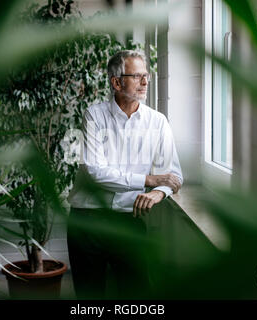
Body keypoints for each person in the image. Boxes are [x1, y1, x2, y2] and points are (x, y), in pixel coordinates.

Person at [67, 50, 183, 299]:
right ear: (116, 82)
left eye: (146, 76)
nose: (145, 82)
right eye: (137, 76)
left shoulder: (158, 122)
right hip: (87, 221)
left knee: (137, 295)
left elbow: (173, 175)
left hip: (129, 220)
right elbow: (96, 172)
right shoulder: (94, 115)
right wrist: (150, 180)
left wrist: (157, 194)